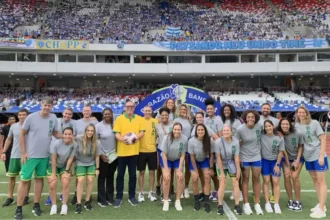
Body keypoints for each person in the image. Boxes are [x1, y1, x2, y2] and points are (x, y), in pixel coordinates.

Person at [14, 97, 62, 220]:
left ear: (52, 107)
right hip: (30, 156)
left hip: (45, 155)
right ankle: (18, 208)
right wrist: (23, 152)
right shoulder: (31, 117)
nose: (47, 107)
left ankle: (36, 204)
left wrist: (67, 136)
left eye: (49, 106)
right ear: (41, 105)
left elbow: (55, 133)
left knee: (39, 180)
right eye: (45, 105)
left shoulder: (53, 118)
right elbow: (22, 133)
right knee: (24, 181)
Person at [294, 106, 328, 219]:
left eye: (303, 112)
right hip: (307, 156)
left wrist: (321, 155)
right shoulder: (297, 125)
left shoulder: (314, 123)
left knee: (321, 181)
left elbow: (323, 138)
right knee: (315, 180)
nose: (302, 114)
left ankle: (322, 209)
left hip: (318, 155)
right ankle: (320, 203)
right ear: (297, 114)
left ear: (307, 113)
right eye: (300, 112)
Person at [113, 101, 145, 207]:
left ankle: (132, 196)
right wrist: (123, 139)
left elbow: (142, 132)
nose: (130, 108)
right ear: (125, 107)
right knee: (120, 175)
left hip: (134, 152)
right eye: (128, 106)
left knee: (132, 175)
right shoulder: (119, 118)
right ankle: (119, 197)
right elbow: (116, 133)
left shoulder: (139, 118)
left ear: (134, 107)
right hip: (122, 153)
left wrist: (135, 138)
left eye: (131, 106)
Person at [46, 107, 76, 206]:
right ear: (62, 113)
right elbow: (51, 132)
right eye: (66, 113)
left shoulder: (73, 124)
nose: (67, 115)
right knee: (52, 178)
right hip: (54, 150)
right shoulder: (56, 120)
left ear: (72, 115)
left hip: (66, 152)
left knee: (65, 179)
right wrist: (63, 137)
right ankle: (50, 196)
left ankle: (63, 195)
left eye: (69, 114)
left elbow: (73, 136)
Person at [235, 110, 264, 215]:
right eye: (249, 117)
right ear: (245, 118)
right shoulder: (240, 129)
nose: (251, 119)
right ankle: (246, 204)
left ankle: (257, 204)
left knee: (256, 178)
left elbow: (269, 131)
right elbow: (235, 143)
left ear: (255, 118)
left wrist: (277, 132)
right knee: (245, 179)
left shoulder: (259, 126)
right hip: (244, 157)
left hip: (256, 156)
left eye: (252, 117)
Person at [1, 109, 30, 207]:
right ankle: (10, 197)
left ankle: (26, 196)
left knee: (26, 178)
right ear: (18, 116)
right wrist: (4, 151)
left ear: (27, 115)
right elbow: (8, 139)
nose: (22, 116)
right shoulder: (13, 126)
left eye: (24, 114)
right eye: (20, 115)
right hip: (14, 155)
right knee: (11, 177)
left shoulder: (31, 126)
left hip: (27, 156)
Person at [70, 105, 98, 205]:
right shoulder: (77, 123)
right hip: (79, 153)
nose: (86, 112)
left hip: (90, 153)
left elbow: (96, 136)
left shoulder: (95, 122)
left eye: (88, 110)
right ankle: (76, 194)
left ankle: (88, 196)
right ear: (82, 112)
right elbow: (74, 136)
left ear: (91, 112)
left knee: (89, 179)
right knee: (79, 178)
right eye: (85, 110)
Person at [47, 127, 78, 215]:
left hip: (63, 166)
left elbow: (70, 159)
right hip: (52, 165)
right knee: (52, 183)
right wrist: (53, 174)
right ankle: (54, 205)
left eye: (69, 134)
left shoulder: (74, 144)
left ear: (72, 135)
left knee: (65, 181)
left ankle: (64, 204)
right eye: (65, 134)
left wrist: (66, 171)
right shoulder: (56, 143)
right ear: (62, 134)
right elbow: (53, 160)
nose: (67, 136)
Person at [214, 124, 242, 215]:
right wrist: (221, 172)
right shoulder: (218, 142)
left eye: (228, 130)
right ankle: (219, 205)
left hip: (231, 163)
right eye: (224, 130)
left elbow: (236, 157)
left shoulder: (235, 141)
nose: (226, 132)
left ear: (231, 132)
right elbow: (218, 158)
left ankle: (237, 205)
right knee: (222, 183)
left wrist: (238, 170)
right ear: (222, 132)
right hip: (221, 163)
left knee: (236, 182)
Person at [160, 122, 188, 211]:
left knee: (180, 177)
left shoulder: (184, 139)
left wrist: (180, 169)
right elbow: (163, 154)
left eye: (178, 129)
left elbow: (183, 155)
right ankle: (165, 201)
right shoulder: (167, 138)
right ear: (172, 130)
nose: (177, 131)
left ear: (181, 130)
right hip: (167, 159)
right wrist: (166, 171)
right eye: (175, 129)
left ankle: (178, 201)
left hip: (177, 159)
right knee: (166, 178)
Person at [277, 118, 304, 211]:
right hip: (286, 159)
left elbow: (301, 146)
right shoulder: (279, 134)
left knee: (295, 177)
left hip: (297, 157)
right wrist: (288, 164)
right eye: (283, 124)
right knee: (287, 176)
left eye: (286, 124)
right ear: (280, 125)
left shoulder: (297, 133)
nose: (284, 126)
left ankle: (298, 201)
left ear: (290, 125)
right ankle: (290, 200)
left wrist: (297, 160)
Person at [75, 124, 101, 214]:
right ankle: (78, 203)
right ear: (85, 131)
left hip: (91, 163)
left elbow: (97, 156)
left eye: (92, 131)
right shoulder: (78, 138)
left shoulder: (97, 142)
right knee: (80, 181)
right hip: (80, 162)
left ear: (94, 132)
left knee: (90, 180)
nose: (90, 132)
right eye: (88, 130)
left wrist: (97, 168)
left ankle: (87, 201)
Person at [219, 104, 243, 201]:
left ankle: (238, 191)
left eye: (228, 110)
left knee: (236, 171)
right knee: (222, 174)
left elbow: (241, 134)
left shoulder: (237, 121)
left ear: (231, 111)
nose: (226, 111)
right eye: (225, 110)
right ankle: (219, 192)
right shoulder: (220, 120)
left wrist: (238, 145)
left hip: (234, 149)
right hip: (223, 149)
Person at [261, 120, 285, 214]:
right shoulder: (262, 136)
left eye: (269, 126)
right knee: (266, 181)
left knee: (276, 181)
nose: (268, 128)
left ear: (273, 126)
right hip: (264, 161)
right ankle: (267, 203)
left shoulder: (279, 137)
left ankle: (276, 203)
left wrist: (277, 164)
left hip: (275, 161)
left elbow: (281, 151)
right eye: (266, 126)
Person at [95, 108, 117, 207]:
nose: (107, 115)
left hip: (114, 156)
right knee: (102, 177)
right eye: (105, 114)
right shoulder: (98, 126)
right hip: (103, 155)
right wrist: (100, 154)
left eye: (109, 114)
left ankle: (110, 197)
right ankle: (101, 199)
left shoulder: (116, 124)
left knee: (110, 176)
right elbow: (95, 142)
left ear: (112, 114)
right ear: (103, 115)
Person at [188, 124, 212, 213]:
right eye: (199, 130)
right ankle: (196, 201)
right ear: (196, 131)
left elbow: (211, 155)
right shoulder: (191, 141)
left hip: (204, 160)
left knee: (207, 177)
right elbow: (192, 157)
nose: (200, 131)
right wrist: (196, 171)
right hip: (194, 160)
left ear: (205, 131)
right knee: (195, 178)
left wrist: (211, 167)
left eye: (202, 130)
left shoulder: (208, 140)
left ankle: (206, 201)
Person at [259, 103, 279, 203]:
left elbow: (279, 133)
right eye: (264, 108)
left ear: (270, 110)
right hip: (260, 152)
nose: (265, 109)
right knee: (262, 176)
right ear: (261, 109)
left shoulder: (275, 120)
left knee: (273, 178)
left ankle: (272, 194)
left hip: (273, 151)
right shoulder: (257, 119)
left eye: (267, 108)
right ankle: (258, 194)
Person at [138, 106, 158, 202]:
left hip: (152, 150)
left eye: (149, 111)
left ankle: (151, 192)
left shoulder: (155, 121)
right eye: (145, 110)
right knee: (141, 172)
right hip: (141, 151)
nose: (147, 112)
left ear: (151, 112)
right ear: (143, 111)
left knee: (152, 172)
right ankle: (141, 193)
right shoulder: (139, 121)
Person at [204, 98, 223, 202]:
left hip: (216, 148)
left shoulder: (218, 119)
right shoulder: (205, 119)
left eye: (211, 109)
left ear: (214, 109)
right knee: (209, 172)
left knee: (216, 172)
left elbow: (220, 135)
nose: (209, 110)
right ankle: (212, 191)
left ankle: (217, 191)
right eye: (208, 109)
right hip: (207, 149)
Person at [173, 104, 192, 199]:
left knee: (188, 167)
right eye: (181, 109)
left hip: (188, 145)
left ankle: (186, 187)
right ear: (178, 110)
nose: (183, 111)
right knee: (179, 167)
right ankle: (179, 189)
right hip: (178, 146)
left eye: (185, 109)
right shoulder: (176, 120)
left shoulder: (189, 120)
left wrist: (189, 120)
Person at [155, 107, 174, 199]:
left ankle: (169, 189)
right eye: (163, 115)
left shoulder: (173, 124)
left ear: (168, 115)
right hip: (161, 151)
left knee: (171, 170)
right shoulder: (157, 126)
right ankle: (160, 187)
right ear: (160, 116)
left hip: (171, 150)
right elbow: (155, 138)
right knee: (162, 170)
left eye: (166, 115)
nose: (164, 116)